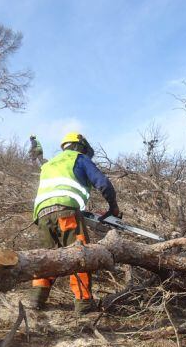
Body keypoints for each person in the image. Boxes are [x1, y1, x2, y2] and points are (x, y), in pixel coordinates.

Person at [29, 132, 120, 314]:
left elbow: (43, 166)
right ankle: (84, 304)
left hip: (42, 217)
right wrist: (113, 207)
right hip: (66, 213)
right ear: (80, 146)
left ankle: (36, 300)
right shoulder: (78, 158)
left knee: (48, 258)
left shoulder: (50, 164)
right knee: (80, 257)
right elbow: (103, 183)